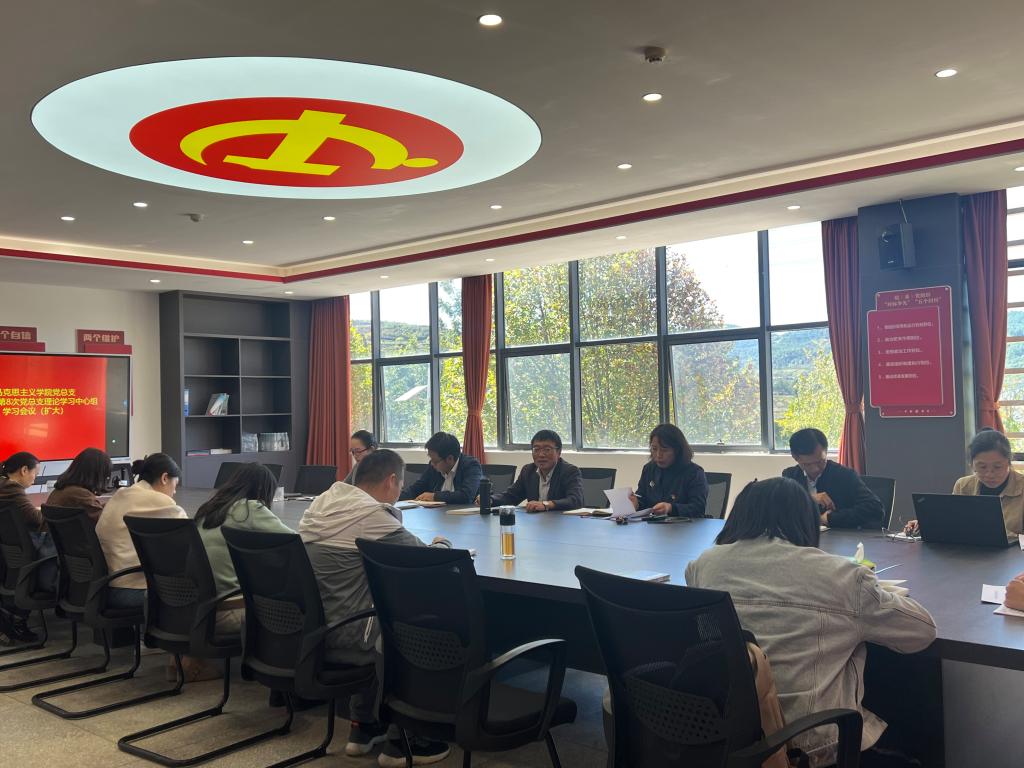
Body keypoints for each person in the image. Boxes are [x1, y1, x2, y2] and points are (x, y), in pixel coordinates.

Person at [685, 477, 936, 767]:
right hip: (811, 746)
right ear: (805, 519)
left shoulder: (703, 565)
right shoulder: (841, 575)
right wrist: (873, 594)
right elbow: (922, 632)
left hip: (729, 737)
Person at [300, 449, 452, 766]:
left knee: (378, 609)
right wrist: (443, 543)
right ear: (391, 480)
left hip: (310, 631)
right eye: (400, 486)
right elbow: (426, 561)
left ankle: (363, 727)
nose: (399, 493)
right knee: (413, 623)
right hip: (349, 634)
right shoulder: (369, 516)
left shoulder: (322, 504)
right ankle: (404, 740)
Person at [195, 463, 293, 633]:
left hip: (197, 610)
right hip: (227, 610)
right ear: (261, 489)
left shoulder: (209, 508)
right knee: (293, 617)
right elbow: (292, 541)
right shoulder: (250, 508)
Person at [95, 453, 187, 610]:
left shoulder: (121, 494)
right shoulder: (161, 502)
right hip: (130, 590)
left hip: (104, 586)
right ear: (165, 478)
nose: (174, 492)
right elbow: (191, 543)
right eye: (175, 485)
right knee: (197, 594)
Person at [904, 429, 1024, 541]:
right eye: (982, 467)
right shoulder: (963, 485)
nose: (989, 474)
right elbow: (952, 522)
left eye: (997, 467)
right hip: (968, 553)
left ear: (1009, 462)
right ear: (971, 464)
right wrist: (926, 525)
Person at [782, 427, 882, 529]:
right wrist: (809, 498)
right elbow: (781, 509)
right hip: (802, 536)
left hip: (839, 536)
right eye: (807, 464)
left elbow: (875, 508)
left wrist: (831, 518)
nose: (815, 469)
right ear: (795, 457)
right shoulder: (790, 476)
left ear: (826, 452)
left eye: (820, 462)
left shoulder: (844, 475)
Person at [0, 452, 51, 643]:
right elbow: (36, 519)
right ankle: (16, 619)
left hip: (10, 558)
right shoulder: (11, 488)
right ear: (23, 470)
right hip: (23, 560)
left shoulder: (3, 485)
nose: (34, 478)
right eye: (34, 473)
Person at [488, 430, 583, 511]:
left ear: (559, 452)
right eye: (536, 449)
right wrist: (490, 500)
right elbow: (511, 496)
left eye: (547, 449)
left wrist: (546, 504)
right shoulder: (528, 471)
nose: (541, 454)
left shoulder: (570, 471)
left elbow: (575, 500)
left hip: (561, 523)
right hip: (534, 522)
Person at [631, 424, 708, 518]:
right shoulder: (649, 469)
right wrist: (636, 503)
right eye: (654, 449)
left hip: (683, 525)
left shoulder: (694, 473)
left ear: (677, 450)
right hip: (652, 524)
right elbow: (642, 497)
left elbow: (698, 508)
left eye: (664, 450)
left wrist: (671, 508)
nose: (658, 455)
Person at [399, 432, 482, 505]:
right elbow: (416, 489)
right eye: (431, 459)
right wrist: (394, 497)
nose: (432, 464)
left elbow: (466, 496)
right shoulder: (433, 467)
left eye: (435, 461)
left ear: (450, 458)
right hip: (437, 514)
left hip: (465, 516)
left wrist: (435, 496)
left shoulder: (471, 465)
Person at [46, 447, 112, 524]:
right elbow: (105, 522)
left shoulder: (60, 491)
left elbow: (94, 510)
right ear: (97, 474)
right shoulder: (80, 494)